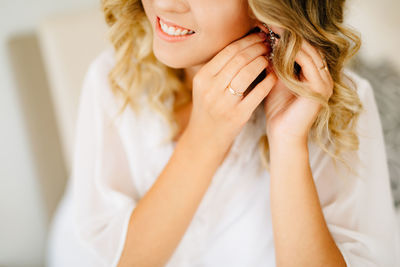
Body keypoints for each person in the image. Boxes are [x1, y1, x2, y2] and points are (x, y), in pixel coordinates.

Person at [46, 0, 400, 266]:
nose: (166, 4)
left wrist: (288, 144)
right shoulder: (116, 81)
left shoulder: (343, 107)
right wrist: (205, 137)